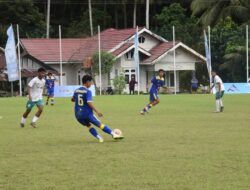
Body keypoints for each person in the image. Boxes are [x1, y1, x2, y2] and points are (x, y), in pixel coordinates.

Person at [72, 75, 124, 143]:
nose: (91, 84)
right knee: (99, 124)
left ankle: (99, 138)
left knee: (89, 126)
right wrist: (97, 111)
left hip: (78, 115)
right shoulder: (88, 91)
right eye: (90, 82)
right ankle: (114, 134)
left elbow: (72, 99)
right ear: (87, 82)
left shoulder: (76, 90)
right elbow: (89, 102)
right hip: (87, 113)